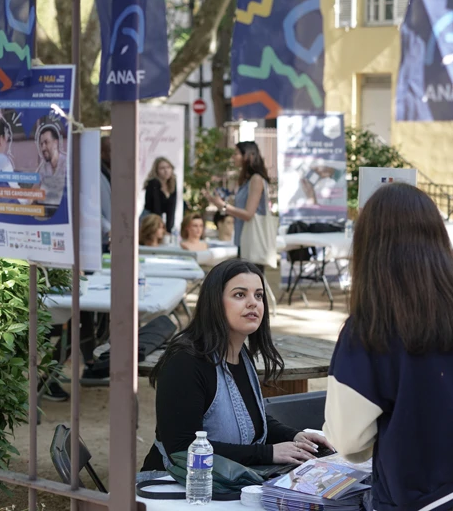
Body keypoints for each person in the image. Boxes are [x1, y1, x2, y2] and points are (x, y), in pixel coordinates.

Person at [324, 183, 453, 511]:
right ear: (438, 236)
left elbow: (347, 438)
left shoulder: (369, 327)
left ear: (368, 246)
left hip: (420, 496)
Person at [138, 260, 331, 479]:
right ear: (214, 302)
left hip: (226, 482)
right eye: (240, 295)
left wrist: (296, 436)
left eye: (258, 295)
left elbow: (250, 420)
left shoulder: (241, 354)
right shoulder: (185, 362)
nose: (253, 303)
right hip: (173, 485)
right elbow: (183, 449)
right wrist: (268, 453)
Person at [203, 142, 272, 270]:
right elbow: (239, 210)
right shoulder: (246, 181)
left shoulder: (256, 179)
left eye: (236, 154)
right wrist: (217, 202)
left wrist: (223, 206)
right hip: (244, 240)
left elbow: (248, 214)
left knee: (251, 282)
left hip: (252, 241)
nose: (233, 157)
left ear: (247, 155)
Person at [143, 157, 178, 233]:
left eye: (168, 167)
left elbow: (172, 209)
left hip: (159, 219)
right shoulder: (153, 183)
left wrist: (169, 229)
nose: (166, 171)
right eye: (162, 168)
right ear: (156, 171)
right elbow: (156, 207)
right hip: (149, 218)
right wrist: (161, 227)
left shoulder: (172, 183)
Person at [36, 124, 67, 207]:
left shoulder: (67, 164)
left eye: (46, 142)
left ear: (55, 143)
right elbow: (35, 191)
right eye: (41, 144)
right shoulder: (43, 167)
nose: (43, 148)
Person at [100, 136, 112, 253]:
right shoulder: (95, 174)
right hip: (100, 237)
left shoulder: (112, 173)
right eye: (111, 150)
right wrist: (107, 228)